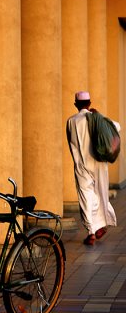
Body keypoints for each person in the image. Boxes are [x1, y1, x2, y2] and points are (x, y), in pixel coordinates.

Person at [66, 91, 119, 246]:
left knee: (86, 196)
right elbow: (116, 127)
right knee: (101, 193)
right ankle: (102, 223)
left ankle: (91, 231)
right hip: (99, 163)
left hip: (81, 165)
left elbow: (71, 144)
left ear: (76, 104)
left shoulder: (71, 121)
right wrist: (99, 115)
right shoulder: (96, 118)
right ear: (89, 103)